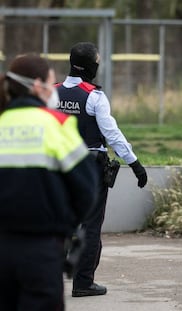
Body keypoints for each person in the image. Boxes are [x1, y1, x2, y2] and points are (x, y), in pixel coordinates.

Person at [0, 54, 97, 310]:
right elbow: (87, 190)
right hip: (42, 250)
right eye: (51, 82)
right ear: (37, 85)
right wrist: (64, 226)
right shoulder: (58, 124)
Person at [56, 41, 148, 297]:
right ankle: (83, 282)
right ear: (90, 67)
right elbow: (112, 134)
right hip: (88, 169)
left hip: (58, 166)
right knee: (91, 225)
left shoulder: (52, 94)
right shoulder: (94, 96)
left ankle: (49, 278)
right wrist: (135, 163)